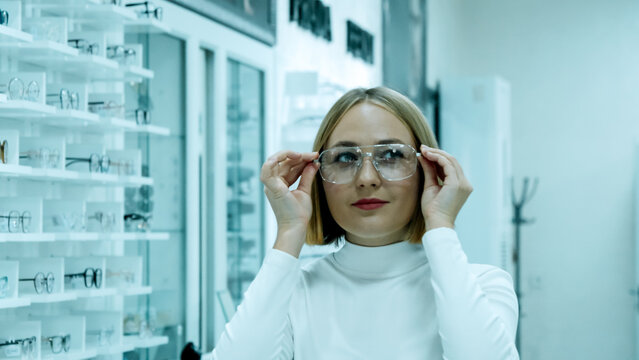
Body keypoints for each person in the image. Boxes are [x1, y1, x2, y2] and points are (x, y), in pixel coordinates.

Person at [210, 86, 520, 359]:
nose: (367, 179)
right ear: (317, 175)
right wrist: (290, 231)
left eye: (391, 155)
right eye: (345, 158)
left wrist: (439, 224)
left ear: (430, 169)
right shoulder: (293, 294)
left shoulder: (484, 286)